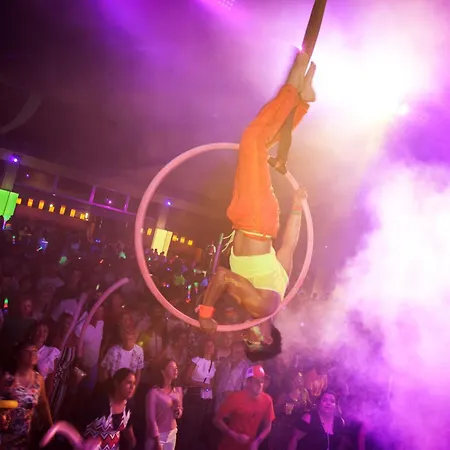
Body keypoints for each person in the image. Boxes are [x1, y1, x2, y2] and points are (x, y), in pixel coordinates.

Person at [197, 51, 317, 360]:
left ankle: (301, 102)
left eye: (246, 343)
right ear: (267, 336)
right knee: (253, 140)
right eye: (252, 342)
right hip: (254, 218)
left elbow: (289, 246)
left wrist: (296, 206)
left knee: (257, 144)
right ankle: (297, 94)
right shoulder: (263, 306)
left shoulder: (276, 292)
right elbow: (222, 275)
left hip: (249, 219)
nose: (245, 337)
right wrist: (206, 312)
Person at [0, 342, 53, 450]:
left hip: (23, 437)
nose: (32, 354)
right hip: (4, 436)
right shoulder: (7, 378)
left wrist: (50, 427)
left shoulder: (39, 380)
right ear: (17, 356)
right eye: (27, 351)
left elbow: (42, 404)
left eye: (34, 351)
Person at [214, 365, 275, 450]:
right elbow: (216, 420)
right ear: (248, 382)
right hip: (229, 446)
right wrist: (235, 435)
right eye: (256, 381)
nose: (260, 384)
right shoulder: (235, 398)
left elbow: (268, 427)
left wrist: (257, 441)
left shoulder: (267, 400)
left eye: (262, 381)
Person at [79, 368, 137, 450]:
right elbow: (79, 427)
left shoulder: (129, 405)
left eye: (134, 383)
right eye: (128, 382)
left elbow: (128, 428)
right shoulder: (99, 403)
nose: (132, 387)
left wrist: (132, 441)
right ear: (116, 383)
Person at [177, 338, 216, 450]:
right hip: (193, 395)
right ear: (203, 347)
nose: (209, 348)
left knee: (197, 427)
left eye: (211, 346)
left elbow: (211, 384)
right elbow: (185, 379)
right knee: (188, 426)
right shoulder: (196, 360)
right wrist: (200, 384)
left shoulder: (213, 364)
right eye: (207, 345)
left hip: (204, 398)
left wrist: (208, 391)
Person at [145, 359, 183, 450]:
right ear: (162, 371)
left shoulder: (178, 390)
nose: (175, 370)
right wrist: (157, 440)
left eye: (176, 368)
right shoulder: (154, 392)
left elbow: (179, 413)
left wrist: (177, 410)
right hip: (158, 435)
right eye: (171, 367)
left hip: (172, 433)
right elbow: (151, 419)